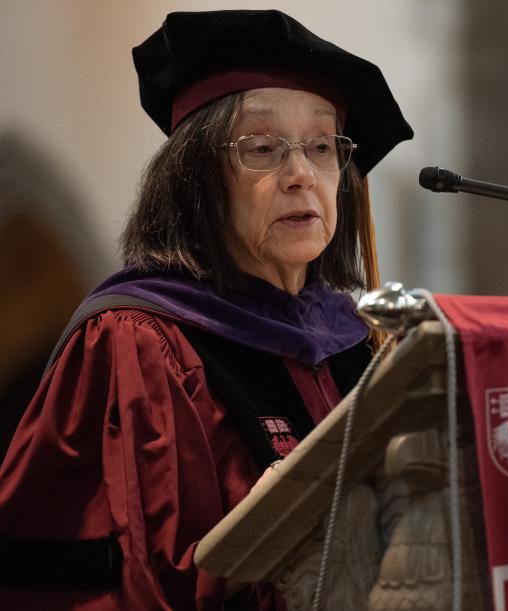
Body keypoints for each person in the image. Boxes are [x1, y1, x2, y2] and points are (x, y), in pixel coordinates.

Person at [0, 9, 412, 610]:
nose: (300, 174)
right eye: (263, 147)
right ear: (195, 179)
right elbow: (144, 580)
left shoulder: (361, 339)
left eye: (322, 146)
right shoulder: (135, 344)